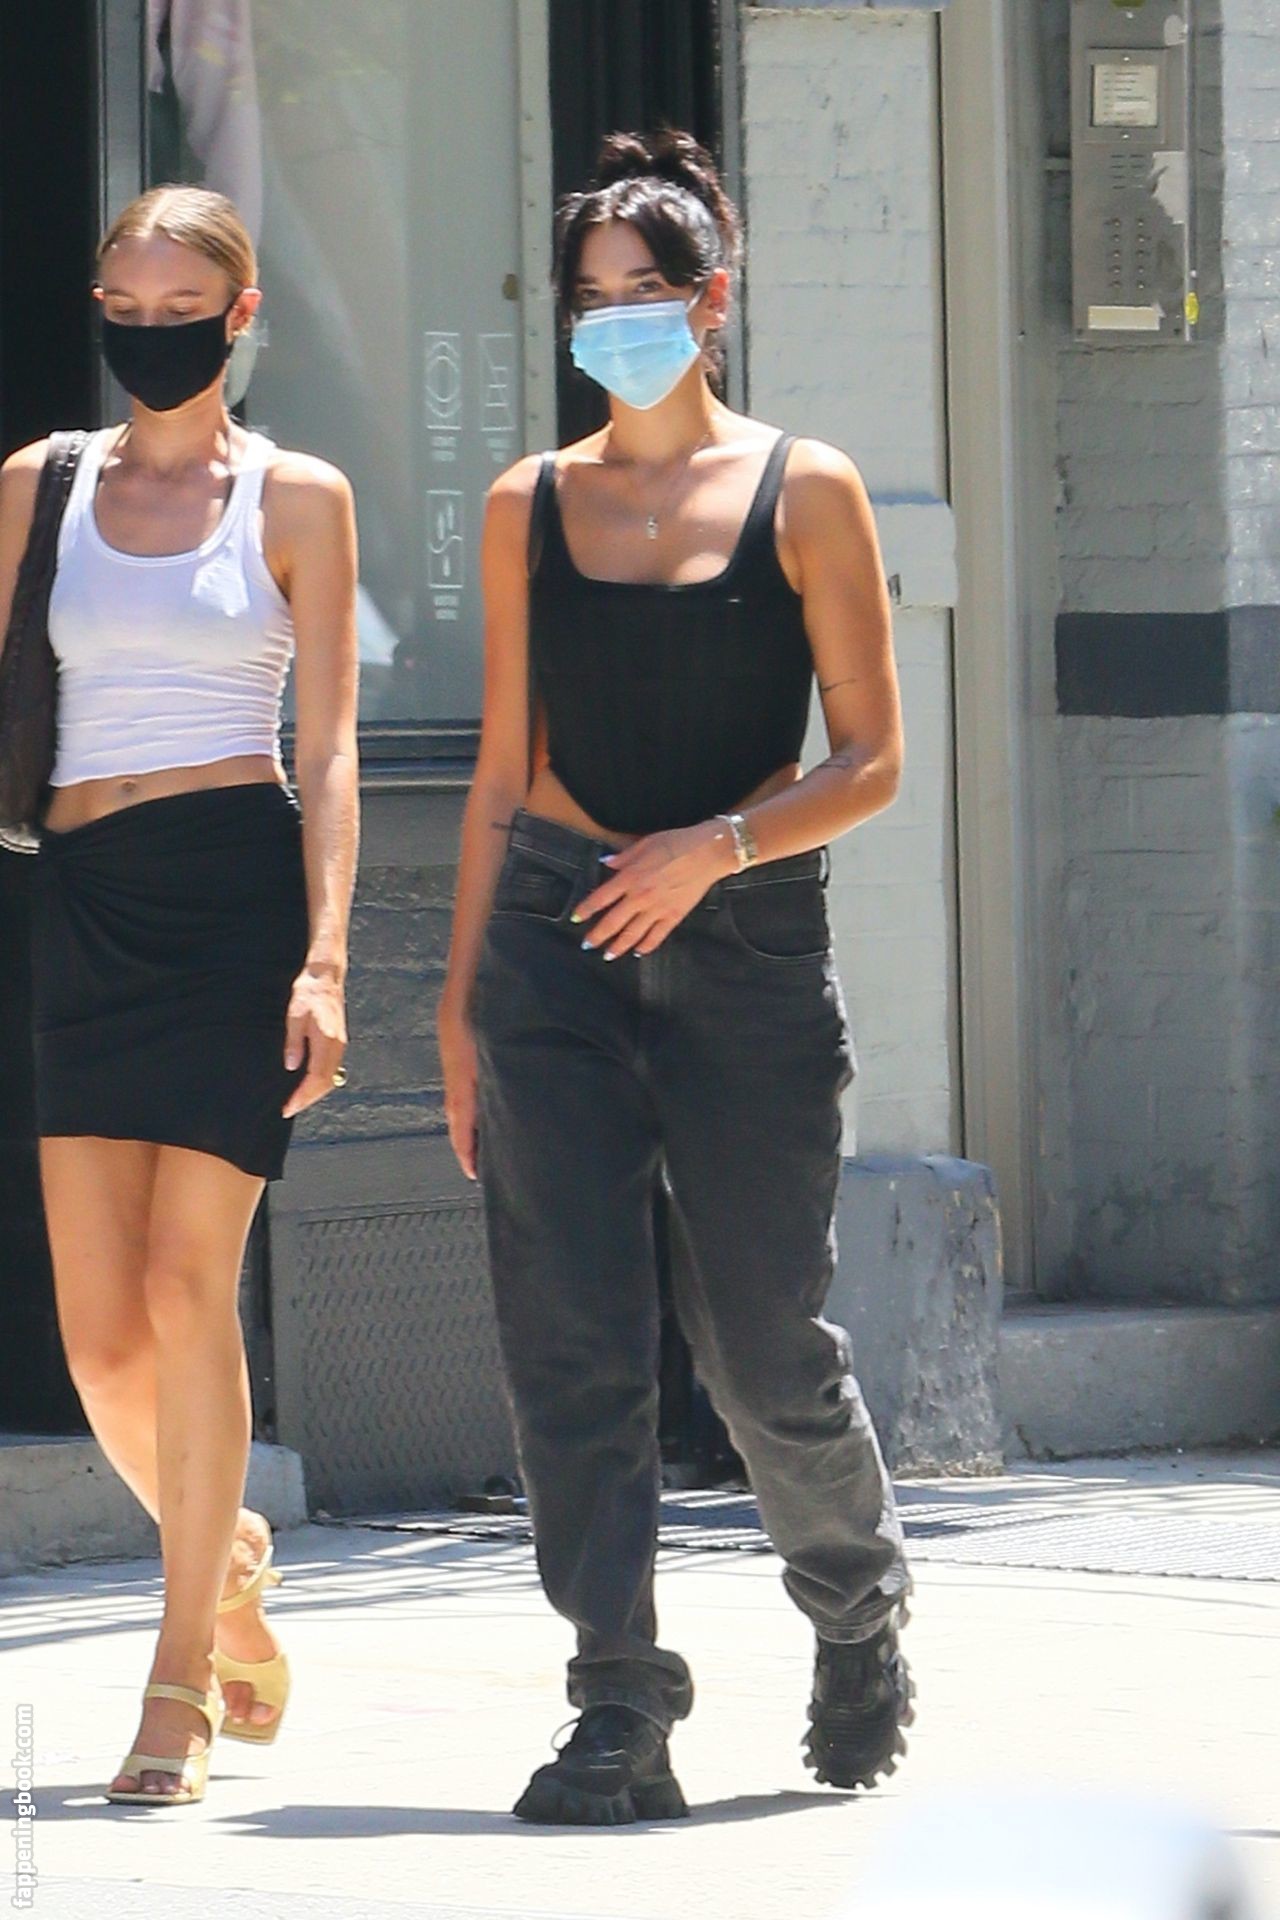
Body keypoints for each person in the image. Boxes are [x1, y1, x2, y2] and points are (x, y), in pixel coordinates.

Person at [438, 129, 912, 1826]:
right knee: (569, 1334)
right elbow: (502, 769)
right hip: (554, 939)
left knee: (763, 1345)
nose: (616, 319)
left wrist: (716, 846)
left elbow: (871, 760)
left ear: (712, 302)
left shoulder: (808, 488)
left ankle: (854, 1605)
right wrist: (459, 1009)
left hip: (745, 948)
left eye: (646, 290)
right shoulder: (528, 503)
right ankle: (618, 1699)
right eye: (592, 296)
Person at [0, 185, 359, 1805]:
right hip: (84, 901)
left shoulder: (296, 497)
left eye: (178, 309)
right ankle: (231, 1564)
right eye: (122, 309)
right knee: (96, 1345)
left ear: (240, 312)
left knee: (184, 1289)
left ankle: (177, 1681)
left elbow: (328, 747)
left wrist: (326, 956)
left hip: (232, 904)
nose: (148, 334)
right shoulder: (40, 485)